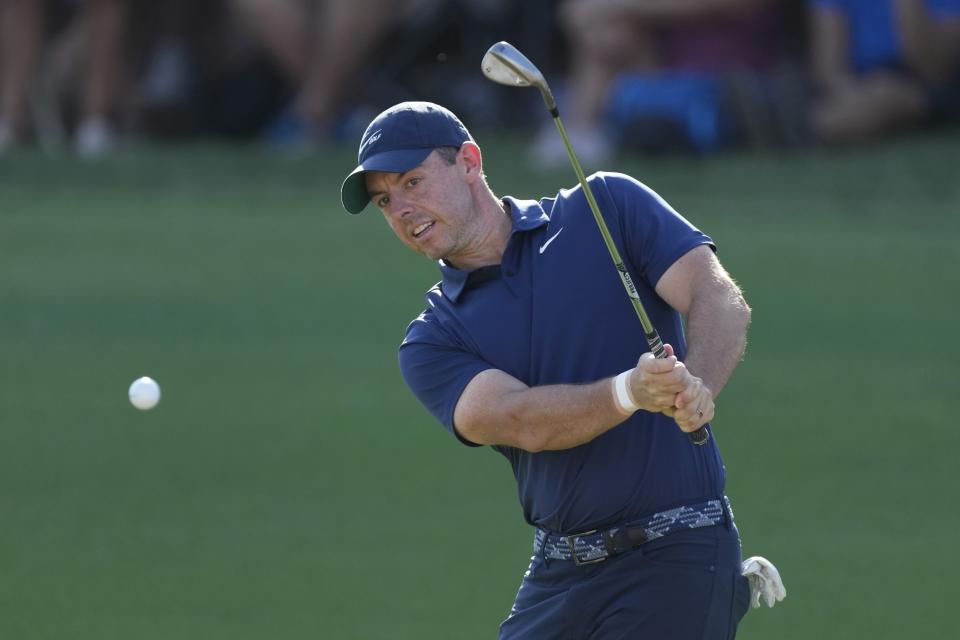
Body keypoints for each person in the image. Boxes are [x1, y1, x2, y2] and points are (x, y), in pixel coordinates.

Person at [340, 101, 761, 638]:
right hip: (560, 573)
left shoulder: (606, 205)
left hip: (677, 554)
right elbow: (524, 422)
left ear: (469, 161)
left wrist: (697, 383)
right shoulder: (432, 338)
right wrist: (629, 391)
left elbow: (717, 297)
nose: (400, 208)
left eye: (413, 182)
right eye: (383, 200)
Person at [809, 0, 960, 143]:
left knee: (888, 101)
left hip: (923, 83)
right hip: (864, 85)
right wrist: (856, 95)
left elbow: (937, 70)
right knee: (828, 117)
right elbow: (830, 68)